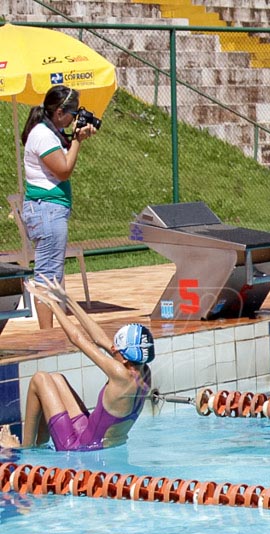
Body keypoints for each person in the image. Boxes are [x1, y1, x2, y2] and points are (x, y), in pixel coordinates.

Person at [0, 277, 153, 451]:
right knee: (57, 379)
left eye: (117, 348)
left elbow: (77, 339)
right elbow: (99, 338)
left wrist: (52, 304)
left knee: (40, 379)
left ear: (125, 358)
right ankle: (40, 443)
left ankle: (24, 450)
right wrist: (67, 299)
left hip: (79, 449)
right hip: (93, 438)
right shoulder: (144, 372)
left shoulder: (119, 373)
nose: (113, 348)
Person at [20, 85, 98, 329]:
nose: (75, 119)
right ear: (60, 112)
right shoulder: (43, 135)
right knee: (48, 276)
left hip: (49, 211)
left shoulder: (50, 132)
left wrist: (75, 137)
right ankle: (47, 337)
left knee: (53, 273)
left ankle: (53, 332)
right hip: (47, 211)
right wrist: (77, 140)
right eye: (73, 114)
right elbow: (63, 170)